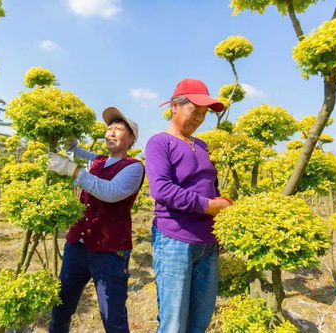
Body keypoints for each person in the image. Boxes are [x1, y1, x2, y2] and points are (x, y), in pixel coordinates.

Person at [145, 78, 233, 333]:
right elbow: (162, 190)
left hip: (208, 242)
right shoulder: (160, 143)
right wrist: (210, 207)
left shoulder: (203, 146)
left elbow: (211, 188)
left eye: (204, 114)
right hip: (175, 239)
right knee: (173, 322)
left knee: (200, 318)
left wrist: (222, 224)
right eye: (195, 111)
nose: (199, 119)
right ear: (175, 106)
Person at [47, 106, 144, 333]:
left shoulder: (134, 167)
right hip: (77, 246)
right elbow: (74, 150)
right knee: (61, 306)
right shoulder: (99, 160)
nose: (110, 132)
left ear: (131, 139)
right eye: (109, 128)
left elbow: (111, 192)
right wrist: (68, 132)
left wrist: (74, 172)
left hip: (109, 251)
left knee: (113, 317)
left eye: (118, 129)